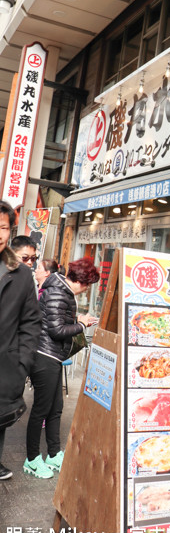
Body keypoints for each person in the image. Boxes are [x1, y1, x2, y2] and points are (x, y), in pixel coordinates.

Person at [24, 257, 99, 479]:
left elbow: (56, 319)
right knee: (40, 411)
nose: (86, 290)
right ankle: (32, 459)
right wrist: (82, 324)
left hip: (52, 356)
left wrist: (77, 318)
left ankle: (54, 453)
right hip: (44, 356)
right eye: (87, 285)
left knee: (55, 408)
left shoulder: (61, 290)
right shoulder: (59, 292)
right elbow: (57, 330)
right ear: (82, 281)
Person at [0, 201, 41, 480]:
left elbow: (31, 323)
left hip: (4, 367)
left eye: (3, 227)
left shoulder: (21, 274)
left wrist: (21, 364)